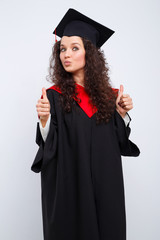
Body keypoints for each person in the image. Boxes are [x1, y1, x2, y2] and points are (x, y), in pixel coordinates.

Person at [31, 8, 140, 240]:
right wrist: (44, 120)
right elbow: (49, 146)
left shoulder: (110, 98)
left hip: (105, 184)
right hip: (70, 185)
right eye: (62, 49)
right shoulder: (54, 96)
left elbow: (120, 143)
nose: (66, 55)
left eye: (74, 48)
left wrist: (121, 114)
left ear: (89, 54)